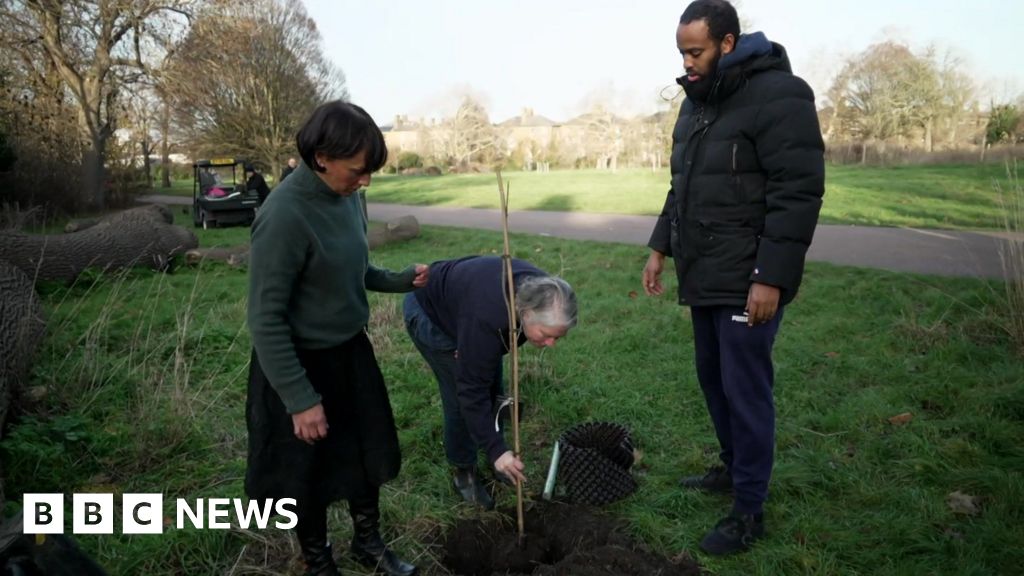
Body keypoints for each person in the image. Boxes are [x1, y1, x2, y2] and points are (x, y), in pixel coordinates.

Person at [641, 0, 824, 556]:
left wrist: (770, 277)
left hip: (750, 276)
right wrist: (659, 247)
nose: (686, 63)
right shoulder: (698, 102)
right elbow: (685, 184)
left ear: (726, 43)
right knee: (713, 378)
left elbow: (798, 192)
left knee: (745, 390)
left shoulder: (782, 96)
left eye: (695, 51)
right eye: (681, 53)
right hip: (706, 269)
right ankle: (732, 468)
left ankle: (749, 511)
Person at [246, 100, 427, 576]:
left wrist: (401, 279)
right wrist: (300, 399)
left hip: (350, 354)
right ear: (322, 156)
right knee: (309, 473)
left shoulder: (349, 197)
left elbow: (353, 267)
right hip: (298, 364)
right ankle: (319, 560)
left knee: (365, 454)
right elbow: (265, 318)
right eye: (358, 170)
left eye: (371, 171)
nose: (366, 180)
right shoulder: (283, 215)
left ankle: (369, 545)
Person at [402, 256, 576, 509]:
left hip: (468, 309)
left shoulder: (545, 291)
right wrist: (469, 348)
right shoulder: (487, 319)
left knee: (493, 384)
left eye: (558, 337)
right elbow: (470, 392)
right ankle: (465, 471)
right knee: (461, 400)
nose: (551, 344)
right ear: (525, 313)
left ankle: (499, 456)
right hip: (430, 310)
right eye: (547, 335)